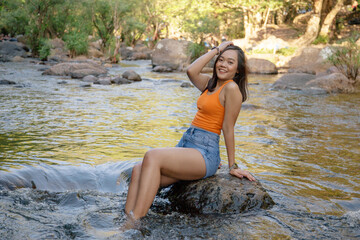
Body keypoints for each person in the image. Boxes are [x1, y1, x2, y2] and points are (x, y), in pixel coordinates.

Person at [123, 41, 255, 227]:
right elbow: (191, 71)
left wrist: (232, 165)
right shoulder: (211, 84)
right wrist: (217, 49)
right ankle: (125, 216)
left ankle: (133, 221)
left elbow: (228, 128)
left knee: (152, 155)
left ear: (238, 70)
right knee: (138, 169)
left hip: (205, 152)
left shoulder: (231, 89)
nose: (223, 64)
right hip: (187, 144)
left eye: (230, 62)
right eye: (221, 60)